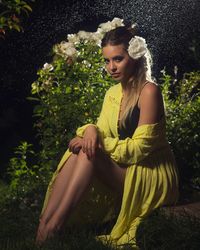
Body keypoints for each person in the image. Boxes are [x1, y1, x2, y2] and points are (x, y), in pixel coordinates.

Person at [36, 23, 179, 248]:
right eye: (107, 60)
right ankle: (44, 225)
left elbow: (137, 150)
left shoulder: (149, 91)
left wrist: (94, 139)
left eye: (118, 59)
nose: (111, 67)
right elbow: (100, 130)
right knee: (83, 151)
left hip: (150, 173)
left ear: (134, 57)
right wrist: (91, 130)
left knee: (88, 151)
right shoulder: (112, 93)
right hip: (125, 169)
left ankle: (53, 228)